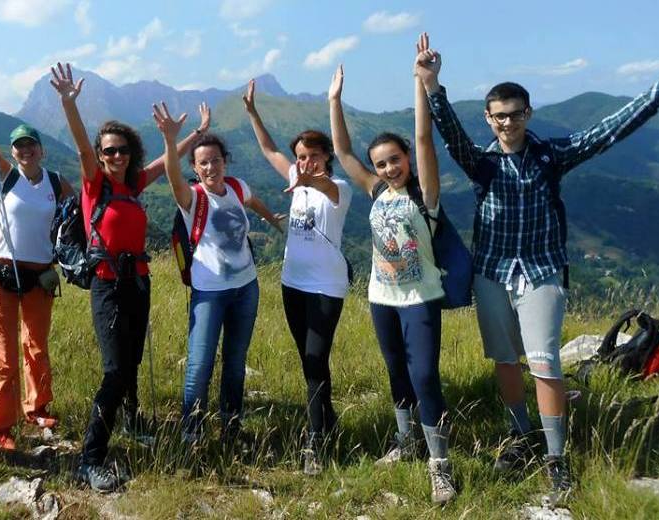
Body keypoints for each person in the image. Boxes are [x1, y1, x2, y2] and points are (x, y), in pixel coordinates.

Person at [419, 40, 659, 504]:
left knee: (545, 362)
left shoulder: (552, 155)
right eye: (498, 116)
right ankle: (520, 433)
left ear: (528, 113)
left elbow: (610, 130)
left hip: (542, 271)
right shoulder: (482, 164)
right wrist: (431, 83)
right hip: (491, 272)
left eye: (515, 114)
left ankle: (555, 458)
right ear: (489, 118)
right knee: (505, 360)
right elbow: (448, 134)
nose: (507, 122)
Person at [51, 62, 211, 491]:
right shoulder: (93, 185)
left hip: (138, 283)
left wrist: (192, 135)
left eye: (121, 149)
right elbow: (83, 150)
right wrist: (69, 104)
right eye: (109, 151)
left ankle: (134, 420)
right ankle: (90, 458)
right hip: (107, 284)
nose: (115, 156)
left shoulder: (133, 185)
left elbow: (166, 161)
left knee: (133, 361)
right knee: (115, 370)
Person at [328, 34, 456, 504]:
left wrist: (420, 81)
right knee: (396, 372)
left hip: (421, 297)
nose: (387, 169)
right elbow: (342, 153)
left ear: (407, 160)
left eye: (394, 160)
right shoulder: (377, 191)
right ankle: (405, 442)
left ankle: (439, 464)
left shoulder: (426, 196)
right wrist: (333, 101)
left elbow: (424, 138)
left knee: (425, 375)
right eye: (380, 164)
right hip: (381, 297)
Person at [152, 102, 282, 448]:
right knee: (199, 363)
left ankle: (231, 427)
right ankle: (192, 433)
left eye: (216, 160)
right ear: (195, 167)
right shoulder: (192, 197)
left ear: (225, 162)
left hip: (246, 288)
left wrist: (274, 221)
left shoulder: (238, 188)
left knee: (236, 362)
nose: (211, 167)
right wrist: (170, 140)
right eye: (203, 162)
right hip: (209, 291)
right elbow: (171, 175)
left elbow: (254, 203)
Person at [243, 79, 352, 475]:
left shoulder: (337, 187)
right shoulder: (297, 177)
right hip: (292, 284)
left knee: (314, 357)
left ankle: (315, 443)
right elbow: (269, 149)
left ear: (326, 157)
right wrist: (253, 113)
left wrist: (306, 178)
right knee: (310, 362)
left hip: (326, 287)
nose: (304, 162)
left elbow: (321, 183)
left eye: (312, 156)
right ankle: (328, 420)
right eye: (301, 157)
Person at [0, 63, 75, 452]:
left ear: (41, 150)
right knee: (1, 349)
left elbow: (79, 214)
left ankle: (39, 406)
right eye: (19, 147)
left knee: (36, 346)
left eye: (31, 145)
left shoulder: (56, 182)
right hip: (0, 272)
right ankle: (2, 426)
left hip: (40, 275)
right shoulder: (4, 176)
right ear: (12, 153)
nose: (26, 151)